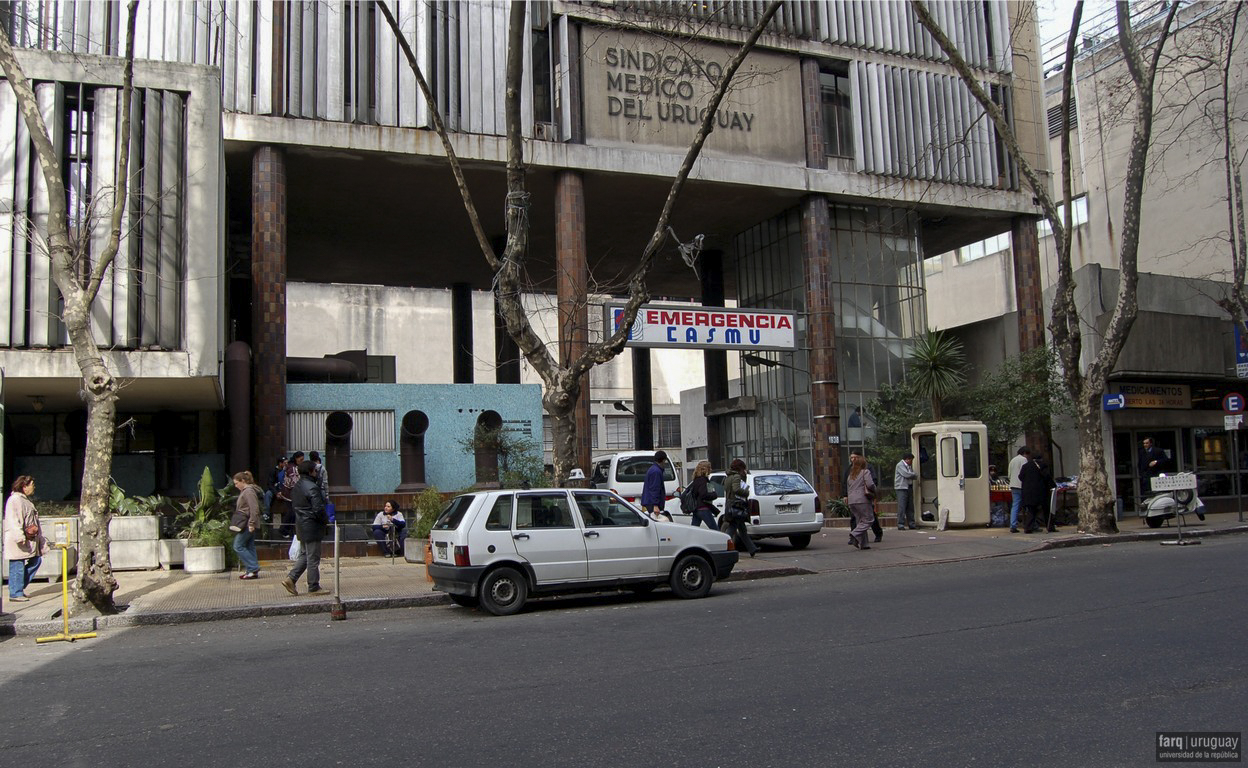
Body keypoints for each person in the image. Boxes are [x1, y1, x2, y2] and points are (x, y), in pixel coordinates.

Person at [282, 460, 328, 596]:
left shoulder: (297, 486)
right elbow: (318, 509)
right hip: (312, 526)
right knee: (313, 557)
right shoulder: (312, 487)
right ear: (310, 471)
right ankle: (313, 586)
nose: (316, 473)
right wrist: (325, 521)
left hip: (301, 525)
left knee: (304, 555)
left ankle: (291, 578)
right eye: (314, 470)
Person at [4, 475, 49, 602]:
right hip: (19, 538)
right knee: (17, 565)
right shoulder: (15, 500)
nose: (33, 488)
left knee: (36, 560)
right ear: (24, 486)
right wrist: (19, 536)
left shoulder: (25, 500)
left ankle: (17, 588)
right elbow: (13, 520)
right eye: (32, 485)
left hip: (28, 538)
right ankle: (15, 592)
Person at [720, 459, 758, 557]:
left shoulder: (728, 477)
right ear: (740, 468)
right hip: (736, 505)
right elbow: (736, 489)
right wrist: (746, 492)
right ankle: (723, 546)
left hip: (730, 503)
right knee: (732, 527)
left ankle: (752, 548)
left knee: (742, 529)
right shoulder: (736, 476)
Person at [231, 471, 264, 580]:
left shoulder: (248, 491)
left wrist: (251, 523)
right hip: (247, 522)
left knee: (238, 546)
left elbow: (254, 508)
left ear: (243, 481)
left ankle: (253, 567)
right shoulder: (247, 491)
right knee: (249, 546)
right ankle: (252, 571)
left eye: (237, 483)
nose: (236, 486)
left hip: (247, 523)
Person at [845, 451, 882, 543]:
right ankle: (854, 534)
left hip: (852, 500)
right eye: (851, 457)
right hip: (862, 499)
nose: (852, 459)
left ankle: (863, 543)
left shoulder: (851, 474)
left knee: (859, 521)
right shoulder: (865, 472)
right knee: (869, 520)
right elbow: (870, 484)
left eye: (854, 458)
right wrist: (874, 490)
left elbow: (846, 485)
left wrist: (845, 496)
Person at [1020, 451, 1056, 534]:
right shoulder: (1043, 465)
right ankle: (1050, 526)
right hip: (1041, 491)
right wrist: (1053, 486)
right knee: (1046, 509)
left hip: (1028, 492)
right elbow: (1047, 477)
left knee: (1031, 510)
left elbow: (1020, 476)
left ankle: (1028, 527)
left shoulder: (1025, 466)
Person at [687, 461, 719, 532]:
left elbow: (695, 494)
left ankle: (691, 541)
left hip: (697, 508)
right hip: (703, 508)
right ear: (705, 469)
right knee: (715, 530)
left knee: (694, 530)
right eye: (709, 468)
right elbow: (703, 494)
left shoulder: (696, 480)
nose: (711, 469)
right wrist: (714, 495)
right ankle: (721, 542)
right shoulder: (703, 480)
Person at [278, 451, 304, 539]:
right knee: (291, 513)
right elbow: (294, 483)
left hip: (288, 493)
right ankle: (284, 529)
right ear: (296, 458)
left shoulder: (290, 466)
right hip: (291, 494)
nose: (302, 461)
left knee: (292, 513)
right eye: (301, 459)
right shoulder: (293, 468)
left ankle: (288, 530)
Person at [640, 450, 671, 521]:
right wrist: (655, 505)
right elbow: (654, 489)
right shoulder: (656, 472)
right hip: (653, 503)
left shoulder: (653, 469)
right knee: (656, 522)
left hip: (650, 502)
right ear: (663, 460)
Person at [1007, 446, 1031, 533]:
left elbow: (1009, 474)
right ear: (1025, 453)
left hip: (1013, 485)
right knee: (1028, 505)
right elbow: (1025, 472)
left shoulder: (1012, 460)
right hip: (1021, 485)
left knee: (1015, 506)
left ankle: (1013, 525)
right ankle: (1030, 524)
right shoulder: (1023, 460)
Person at [894, 452, 917, 530]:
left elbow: (912, 475)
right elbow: (907, 474)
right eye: (911, 460)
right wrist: (913, 474)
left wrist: (912, 474)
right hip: (901, 488)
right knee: (902, 506)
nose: (911, 462)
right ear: (907, 459)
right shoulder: (900, 465)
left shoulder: (909, 466)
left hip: (908, 486)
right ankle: (900, 524)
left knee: (910, 506)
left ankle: (912, 523)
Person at [264, 456, 286, 521]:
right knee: (268, 494)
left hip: (284, 490)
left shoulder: (287, 471)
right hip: (275, 489)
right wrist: (276, 492)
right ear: (280, 463)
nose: (286, 464)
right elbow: (270, 484)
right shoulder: (273, 471)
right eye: (285, 463)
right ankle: (266, 513)